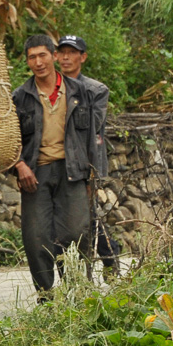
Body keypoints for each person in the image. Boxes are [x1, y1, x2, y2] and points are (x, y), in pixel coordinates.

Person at [12, 34, 97, 299]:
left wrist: (93, 177)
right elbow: (9, 140)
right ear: (27, 61)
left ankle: (78, 294)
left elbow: (93, 137)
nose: (38, 62)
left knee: (76, 233)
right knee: (36, 238)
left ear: (54, 56)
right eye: (32, 57)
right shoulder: (20, 97)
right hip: (35, 174)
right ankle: (47, 298)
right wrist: (19, 165)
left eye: (43, 55)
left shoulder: (80, 92)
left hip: (72, 171)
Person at [54, 34, 120, 276]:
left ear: (83, 57)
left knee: (86, 215)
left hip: (85, 161)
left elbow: (91, 128)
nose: (66, 57)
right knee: (64, 217)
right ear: (56, 56)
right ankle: (79, 267)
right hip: (57, 161)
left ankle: (107, 255)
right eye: (62, 52)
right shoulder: (49, 87)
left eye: (72, 52)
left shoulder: (96, 91)